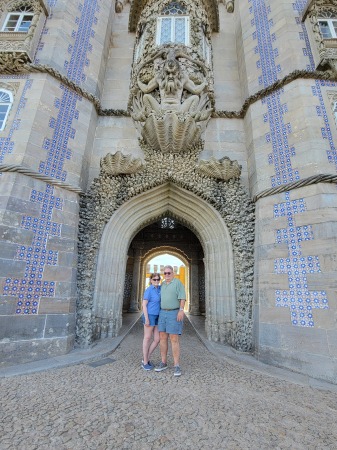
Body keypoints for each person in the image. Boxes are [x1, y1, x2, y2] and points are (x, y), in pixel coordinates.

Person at [155, 265, 186, 377]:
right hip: (162, 313)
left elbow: (182, 297)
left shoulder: (177, 283)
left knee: (174, 338)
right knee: (162, 337)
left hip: (174, 313)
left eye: (169, 273)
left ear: (173, 273)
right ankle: (163, 362)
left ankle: (176, 365)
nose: (167, 275)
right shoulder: (162, 284)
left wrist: (181, 310)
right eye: (165, 273)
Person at [141, 273, 161, 370]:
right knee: (147, 338)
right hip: (149, 315)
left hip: (158, 316)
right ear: (151, 280)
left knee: (157, 339)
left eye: (158, 279)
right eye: (154, 279)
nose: (156, 281)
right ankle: (145, 362)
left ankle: (146, 357)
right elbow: (144, 305)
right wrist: (147, 318)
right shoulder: (149, 290)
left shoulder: (160, 289)